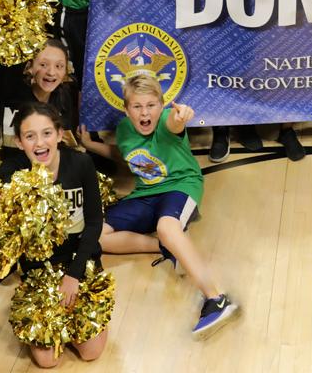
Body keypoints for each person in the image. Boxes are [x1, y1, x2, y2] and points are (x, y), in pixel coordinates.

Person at [97, 74, 241, 339]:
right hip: (144, 193)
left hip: (180, 186)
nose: (145, 112)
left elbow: (175, 123)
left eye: (151, 105)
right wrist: (90, 145)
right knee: (98, 234)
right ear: (126, 109)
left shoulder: (166, 120)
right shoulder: (124, 129)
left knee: (166, 226)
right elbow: (124, 154)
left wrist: (181, 116)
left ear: (160, 106)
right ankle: (168, 247)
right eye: (137, 107)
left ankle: (217, 299)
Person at [2, 102, 111, 366]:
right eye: (30, 136)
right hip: (38, 271)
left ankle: (71, 318)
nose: (40, 142)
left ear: (60, 134)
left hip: (80, 264)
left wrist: (73, 275)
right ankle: (53, 319)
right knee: (46, 360)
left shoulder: (81, 163)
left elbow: (95, 222)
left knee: (90, 351)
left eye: (47, 133)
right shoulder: (11, 173)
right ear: (19, 142)